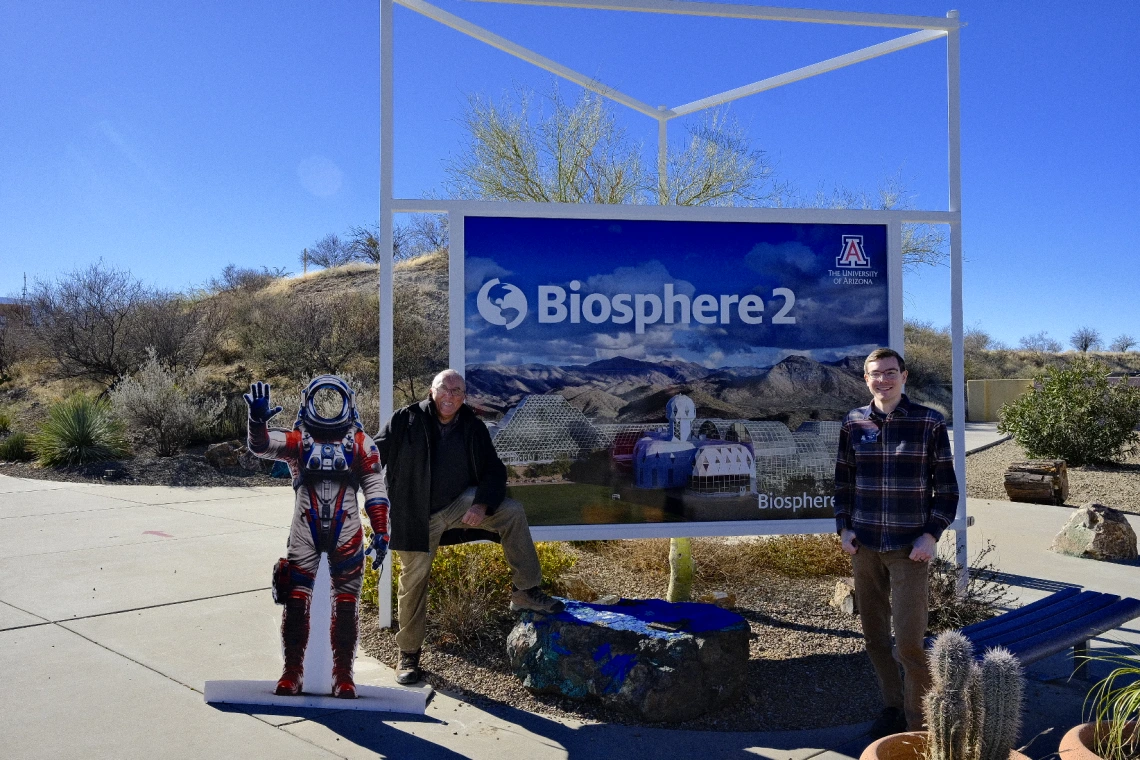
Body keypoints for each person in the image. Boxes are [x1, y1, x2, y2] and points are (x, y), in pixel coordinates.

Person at [375, 369, 564, 685]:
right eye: (444, 389)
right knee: (414, 580)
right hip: (416, 513)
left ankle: (525, 591)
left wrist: (482, 504)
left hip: (457, 506)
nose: (450, 395)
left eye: (457, 390)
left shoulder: (473, 427)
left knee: (512, 512)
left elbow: (494, 471)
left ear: (464, 396)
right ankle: (408, 654)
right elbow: (372, 454)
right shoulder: (405, 420)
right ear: (432, 391)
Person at [833, 347, 959, 738]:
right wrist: (844, 528)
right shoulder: (853, 423)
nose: (883, 380)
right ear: (866, 379)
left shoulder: (929, 423)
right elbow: (843, 482)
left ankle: (919, 724)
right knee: (874, 638)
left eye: (890, 373)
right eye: (875, 374)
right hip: (865, 546)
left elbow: (947, 491)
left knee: (909, 643)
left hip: (910, 550)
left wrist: (931, 534)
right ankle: (891, 708)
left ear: (904, 377)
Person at [245, 375, 391, 699]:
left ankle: (343, 675)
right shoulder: (299, 440)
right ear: (307, 401)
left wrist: (381, 531)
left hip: (346, 531)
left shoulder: (362, 444)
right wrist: (256, 421)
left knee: (347, 604)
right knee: (296, 601)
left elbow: (376, 490)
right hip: (306, 530)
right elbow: (262, 444)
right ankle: (292, 672)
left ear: (348, 402)